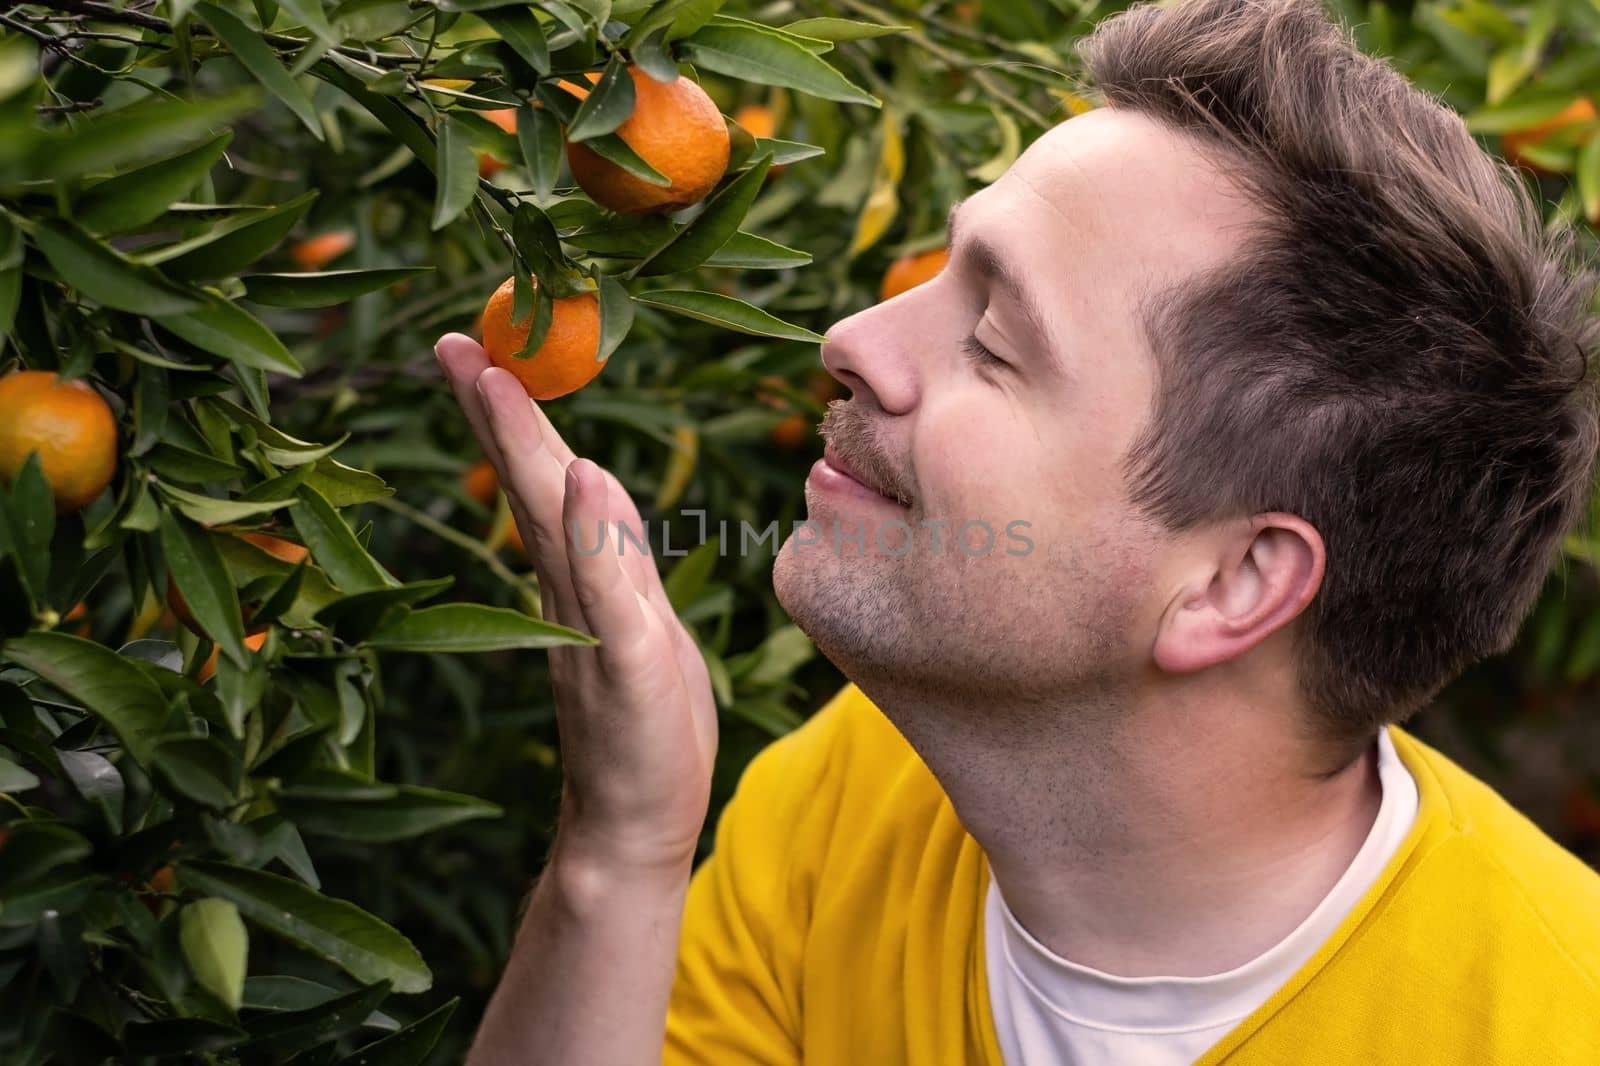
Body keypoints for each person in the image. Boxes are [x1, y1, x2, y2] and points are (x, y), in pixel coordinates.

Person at [439, 0, 1600, 1062]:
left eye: (992, 342)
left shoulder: (1542, 1022)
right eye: (941, 268)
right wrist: (621, 852)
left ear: (1234, 583)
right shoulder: (848, 800)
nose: (851, 337)